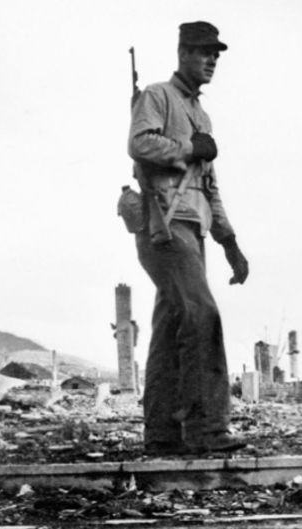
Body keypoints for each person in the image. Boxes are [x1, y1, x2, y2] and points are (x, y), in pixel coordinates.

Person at [128, 21, 248, 455]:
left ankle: (161, 434)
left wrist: (228, 240)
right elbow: (139, 144)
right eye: (203, 52)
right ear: (182, 54)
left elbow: (209, 186)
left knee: (171, 326)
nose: (211, 60)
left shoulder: (201, 114)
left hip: (191, 230)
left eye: (215, 53)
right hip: (164, 223)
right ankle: (208, 429)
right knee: (202, 317)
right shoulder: (157, 96)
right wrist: (187, 149)